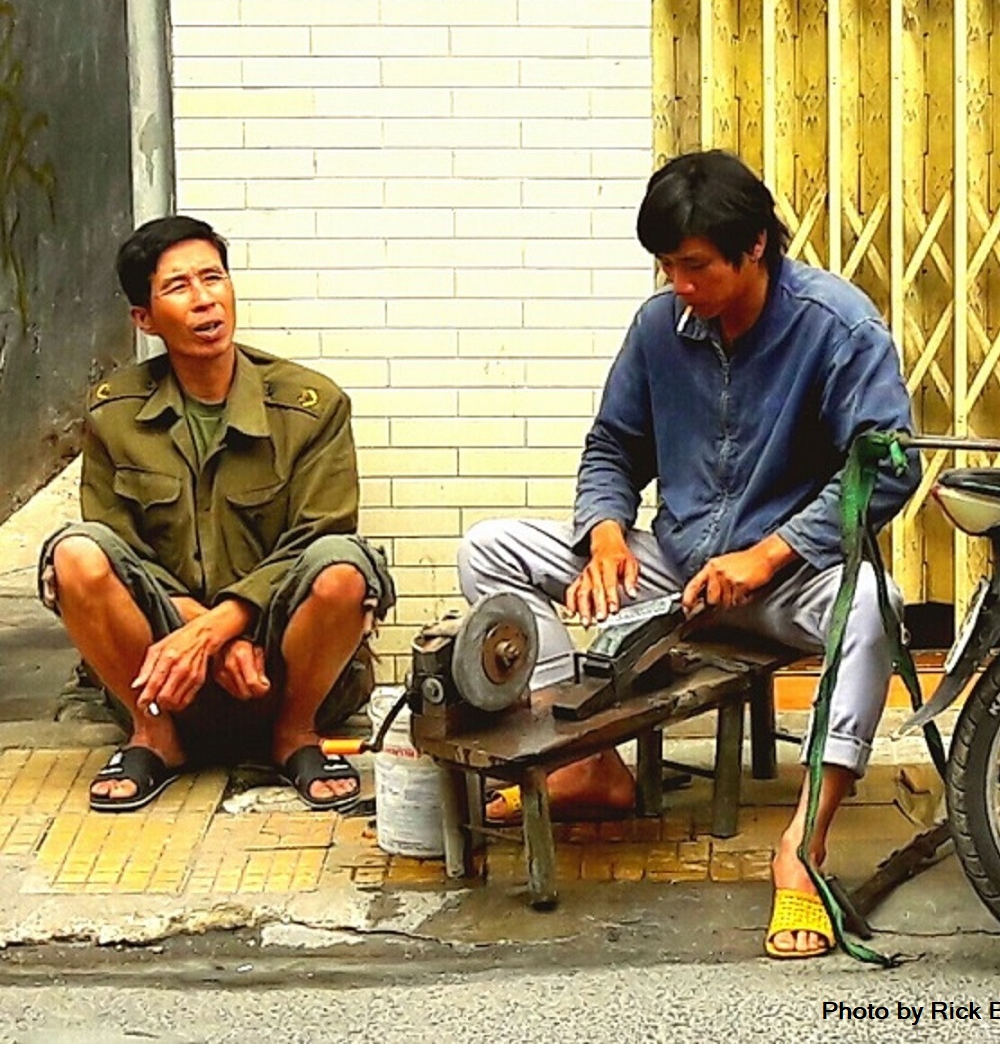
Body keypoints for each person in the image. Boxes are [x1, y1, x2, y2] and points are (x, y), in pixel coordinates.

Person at [457, 149, 919, 959]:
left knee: (875, 608)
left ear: (755, 247)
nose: (679, 284)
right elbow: (612, 444)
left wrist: (770, 553)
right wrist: (605, 532)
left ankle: (803, 846)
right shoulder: (657, 327)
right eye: (666, 266)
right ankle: (586, 765)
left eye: (695, 266)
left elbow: (888, 466)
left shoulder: (838, 326)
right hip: (676, 567)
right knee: (488, 550)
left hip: (790, 582)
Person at [40, 216, 391, 813]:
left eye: (213, 278)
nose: (204, 299)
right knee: (75, 553)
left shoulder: (311, 406)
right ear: (144, 318)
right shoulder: (113, 414)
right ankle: (155, 736)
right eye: (178, 286)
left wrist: (222, 628)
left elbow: (320, 534)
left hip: (279, 662)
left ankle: (296, 734)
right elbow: (123, 554)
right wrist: (208, 639)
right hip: (164, 671)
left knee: (345, 567)